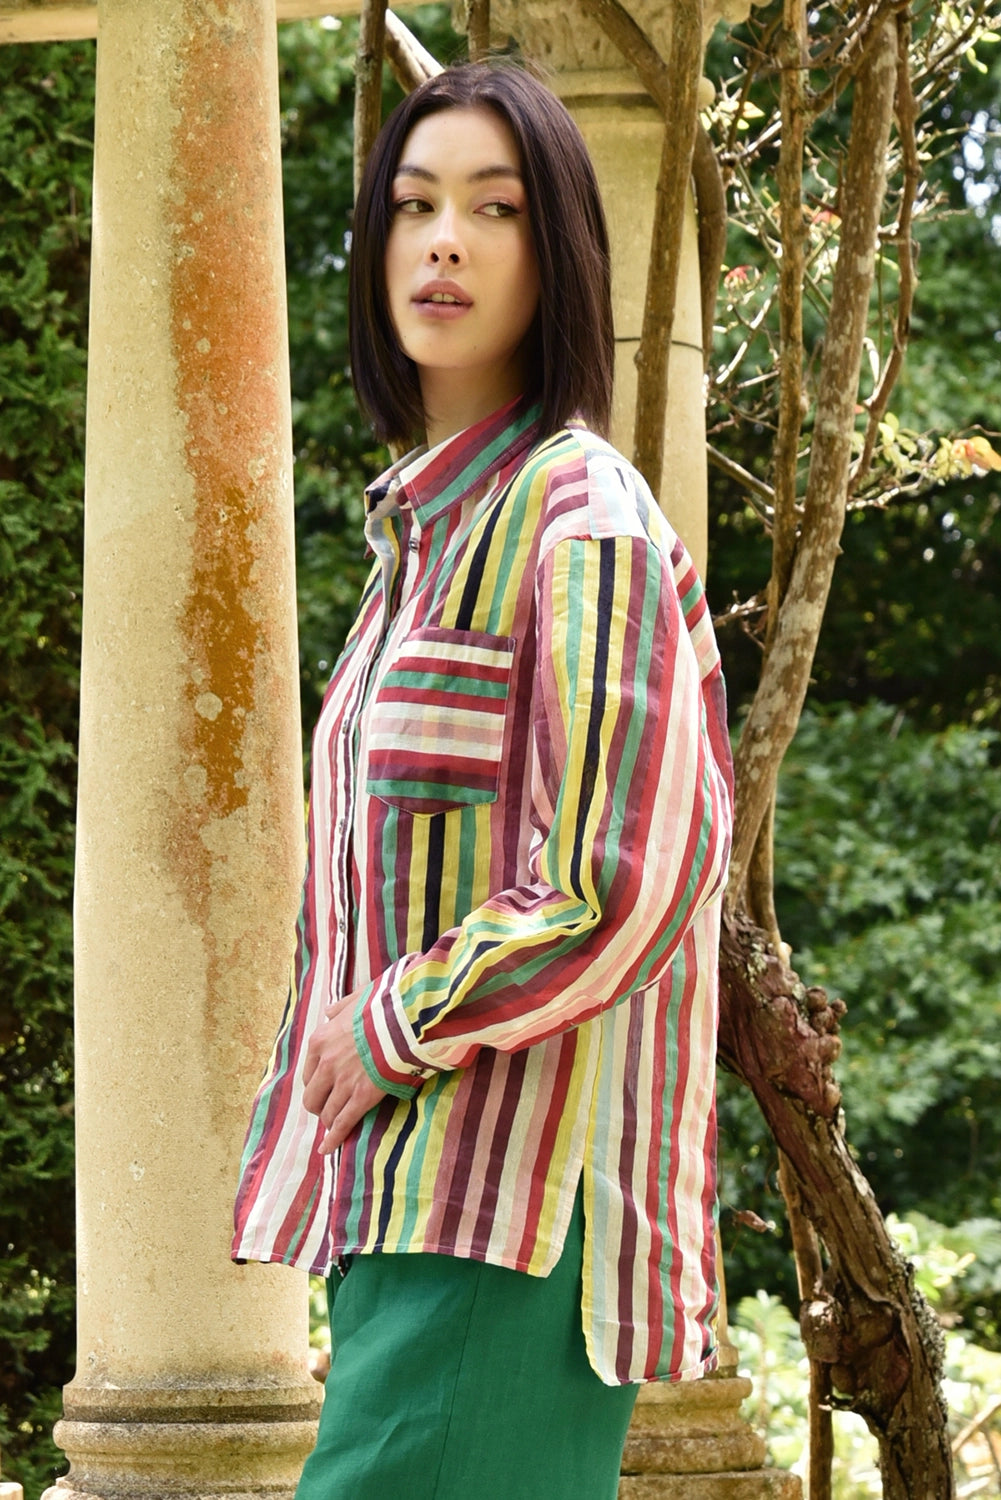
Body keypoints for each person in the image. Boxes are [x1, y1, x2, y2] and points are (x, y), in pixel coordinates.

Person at [233, 61, 733, 1500]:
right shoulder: (433, 538)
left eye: (493, 208)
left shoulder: (577, 527)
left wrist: (384, 1025)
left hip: (516, 1216)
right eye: (413, 204)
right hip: (415, 1196)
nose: (441, 239)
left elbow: (618, 884)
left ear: (557, 250)